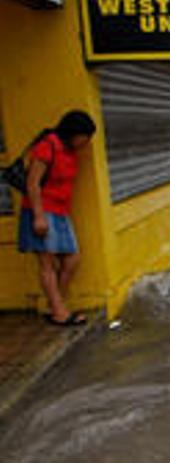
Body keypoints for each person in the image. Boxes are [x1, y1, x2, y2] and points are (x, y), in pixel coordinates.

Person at [19, 110, 96, 326]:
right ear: (74, 133)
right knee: (46, 262)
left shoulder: (69, 151)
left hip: (61, 212)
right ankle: (59, 312)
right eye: (85, 136)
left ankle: (55, 306)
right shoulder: (47, 146)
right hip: (42, 210)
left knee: (72, 258)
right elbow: (32, 183)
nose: (87, 142)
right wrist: (38, 216)